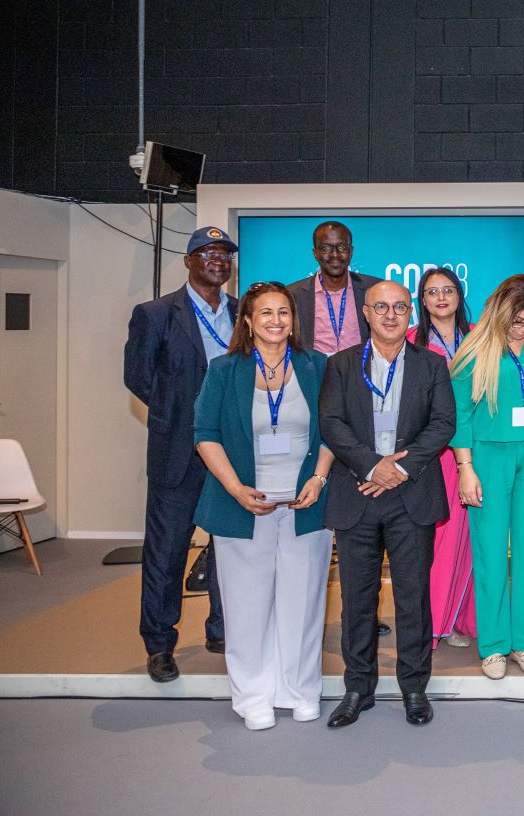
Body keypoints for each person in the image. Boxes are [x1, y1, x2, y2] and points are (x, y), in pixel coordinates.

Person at [192, 282, 333, 730]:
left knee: (303, 602)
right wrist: (235, 488)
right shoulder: (224, 369)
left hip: (305, 502)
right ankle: (253, 694)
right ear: (248, 321)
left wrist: (319, 477)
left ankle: (300, 688)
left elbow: (334, 429)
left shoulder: (316, 366)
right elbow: (205, 435)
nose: (276, 320)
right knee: (246, 603)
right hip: (242, 505)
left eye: (284, 313)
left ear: (294, 320)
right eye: (266, 313)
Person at [319, 280, 456, 728]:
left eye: (400, 307)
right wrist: (370, 465)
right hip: (357, 492)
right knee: (358, 598)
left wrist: (398, 468)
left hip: (411, 494)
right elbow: (331, 423)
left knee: (413, 597)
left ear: (410, 314)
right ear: (366, 312)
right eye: (382, 307)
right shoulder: (340, 365)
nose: (391, 315)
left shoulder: (432, 365)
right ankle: (358, 688)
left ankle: (414, 687)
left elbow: (443, 424)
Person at [123, 225, 234, 683]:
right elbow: (138, 378)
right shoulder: (154, 313)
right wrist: (181, 414)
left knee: (230, 548)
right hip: (178, 452)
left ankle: (222, 629)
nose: (216, 259)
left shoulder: (245, 312)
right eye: (206, 252)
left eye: (224, 253)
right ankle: (159, 644)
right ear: (188, 261)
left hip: (232, 453)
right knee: (167, 552)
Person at [450, 276, 524, 679]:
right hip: (488, 454)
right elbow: (460, 416)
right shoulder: (474, 349)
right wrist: (466, 469)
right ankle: (495, 646)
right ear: (501, 312)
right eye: (519, 321)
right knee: (491, 551)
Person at [408, 267, 476, 650]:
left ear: (459, 294)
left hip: (474, 445)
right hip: (435, 451)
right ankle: (435, 621)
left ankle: (462, 618)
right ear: (423, 299)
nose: (441, 298)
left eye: (447, 290)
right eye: (432, 292)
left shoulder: (480, 335)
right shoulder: (411, 340)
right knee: (441, 538)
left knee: (474, 537)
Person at [286, 221, 381, 355]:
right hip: (315, 373)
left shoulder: (375, 289)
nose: (335, 254)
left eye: (342, 247)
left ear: (351, 251)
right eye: (326, 248)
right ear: (315, 253)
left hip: (361, 372)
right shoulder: (292, 294)